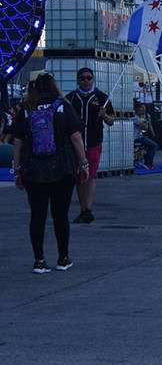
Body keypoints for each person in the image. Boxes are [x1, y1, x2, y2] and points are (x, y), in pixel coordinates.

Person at [11, 73, 90, 273]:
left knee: (37, 215)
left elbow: (18, 143)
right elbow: (76, 138)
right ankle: (63, 258)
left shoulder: (27, 109)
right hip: (62, 169)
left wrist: (17, 170)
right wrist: (84, 164)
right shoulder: (63, 107)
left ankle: (39, 260)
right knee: (60, 215)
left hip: (33, 170)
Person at [65, 66, 115, 224]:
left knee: (91, 175)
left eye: (89, 78)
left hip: (94, 142)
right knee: (80, 177)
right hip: (76, 144)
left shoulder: (101, 98)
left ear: (93, 79)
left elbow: (111, 121)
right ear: (78, 80)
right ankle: (83, 209)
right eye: (82, 78)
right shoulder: (71, 98)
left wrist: (104, 114)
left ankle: (89, 208)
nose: (86, 81)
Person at [132, 102, 159, 169]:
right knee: (154, 145)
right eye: (142, 109)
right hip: (136, 137)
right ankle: (148, 163)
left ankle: (144, 160)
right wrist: (146, 122)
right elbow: (145, 127)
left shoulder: (139, 117)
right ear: (137, 109)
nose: (143, 110)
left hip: (139, 136)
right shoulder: (135, 117)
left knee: (149, 144)